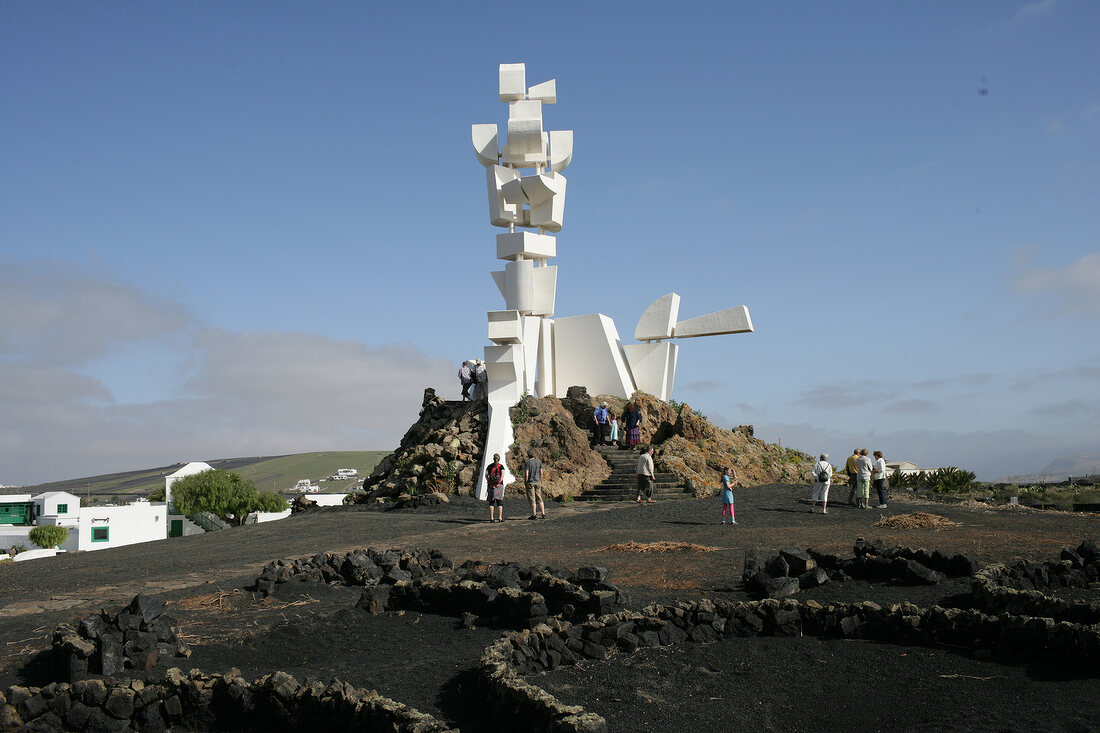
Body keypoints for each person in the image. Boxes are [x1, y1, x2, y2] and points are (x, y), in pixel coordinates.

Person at [524, 448, 546, 520]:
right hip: (537, 481)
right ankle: (543, 514)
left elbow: (526, 474)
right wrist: (540, 479)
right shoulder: (538, 462)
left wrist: (525, 481)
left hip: (530, 482)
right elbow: (541, 472)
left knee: (532, 499)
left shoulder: (528, 463)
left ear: (528, 455)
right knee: (539, 498)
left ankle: (534, 514)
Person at [485, 453, 505, 523]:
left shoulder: (489, 466)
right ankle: (500, 518)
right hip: (499, 486)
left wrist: (490, 483)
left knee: (491, 502)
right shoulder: (501, 466)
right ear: (499, 459)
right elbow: (502, 476)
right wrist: (499, 483)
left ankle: (491, 518)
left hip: (491, 486)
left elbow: (486, 475)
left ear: (493, 459)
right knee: (499, 502)